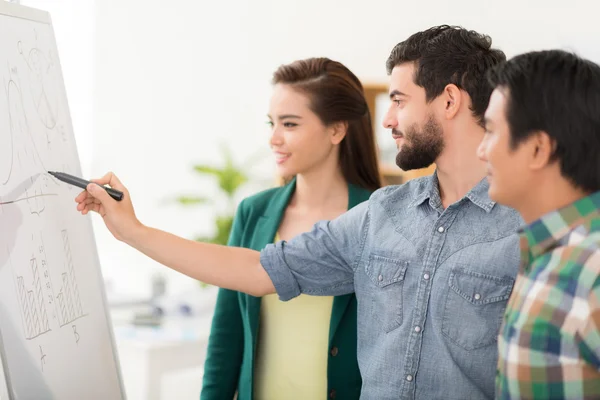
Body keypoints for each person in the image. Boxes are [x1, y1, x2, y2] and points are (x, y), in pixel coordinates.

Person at [76, 25, 522, 399]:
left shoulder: (531, 226)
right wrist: (132, 231)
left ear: (448, 101)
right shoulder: (382, 213)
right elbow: (257, 270)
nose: (387, 120)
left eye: (400, 100)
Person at [201, 57, 380, 400]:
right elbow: (226, 335)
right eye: (272, 123)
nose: (274, 139)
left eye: (290, 124)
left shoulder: (376, 217)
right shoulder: (254, 212)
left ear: (336, 130)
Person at [478, 50, 600, 400]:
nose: (481, 151)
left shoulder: (592, 268)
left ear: (537, 149)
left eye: (490, 131)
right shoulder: (546, 256)